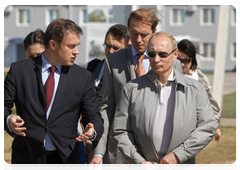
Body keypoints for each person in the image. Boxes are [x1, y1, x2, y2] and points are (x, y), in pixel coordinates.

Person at [90, 8, 183, 170]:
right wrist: (99, 152)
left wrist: (176, 153)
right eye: (134, 34)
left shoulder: (172, 63)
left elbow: (176, 110)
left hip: (157, 156)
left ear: (154, 31)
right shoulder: (112, 61)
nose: (138, 40)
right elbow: (106, 109)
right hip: (119, 154)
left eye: (144, 35)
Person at [4, 18, 103, 170]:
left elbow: (93, 115)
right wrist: (9, 120)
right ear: (53, 44)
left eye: (77, 45)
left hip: (65, 160)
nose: (76, 51)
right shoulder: (19, 70)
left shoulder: (82, 77)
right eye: (71, 46)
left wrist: (93, 129)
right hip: (27, 158)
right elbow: (3, 105)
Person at [112, 32, 217, 170]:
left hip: (182, 166)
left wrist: (177, 156)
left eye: (162, 54)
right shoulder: (131, 89)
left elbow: (208, 126)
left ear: (175, 55)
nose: (156, 59)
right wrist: (139, 162)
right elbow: (120, 130)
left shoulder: (195, 89)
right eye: (151, 54)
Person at [86, 24, 127, 170]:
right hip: (88, 134)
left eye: (116, 48)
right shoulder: (92, 67)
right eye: (107, 46)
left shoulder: (126, 73)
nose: (110, 51)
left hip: (112, 139)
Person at [177, 39, 222, 142]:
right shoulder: (171, 76)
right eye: (179, 60)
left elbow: (210, 103)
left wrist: (216, 126)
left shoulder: (200, 78)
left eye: (186, 60)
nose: (182, 64)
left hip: (193, 129)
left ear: (192, 59)